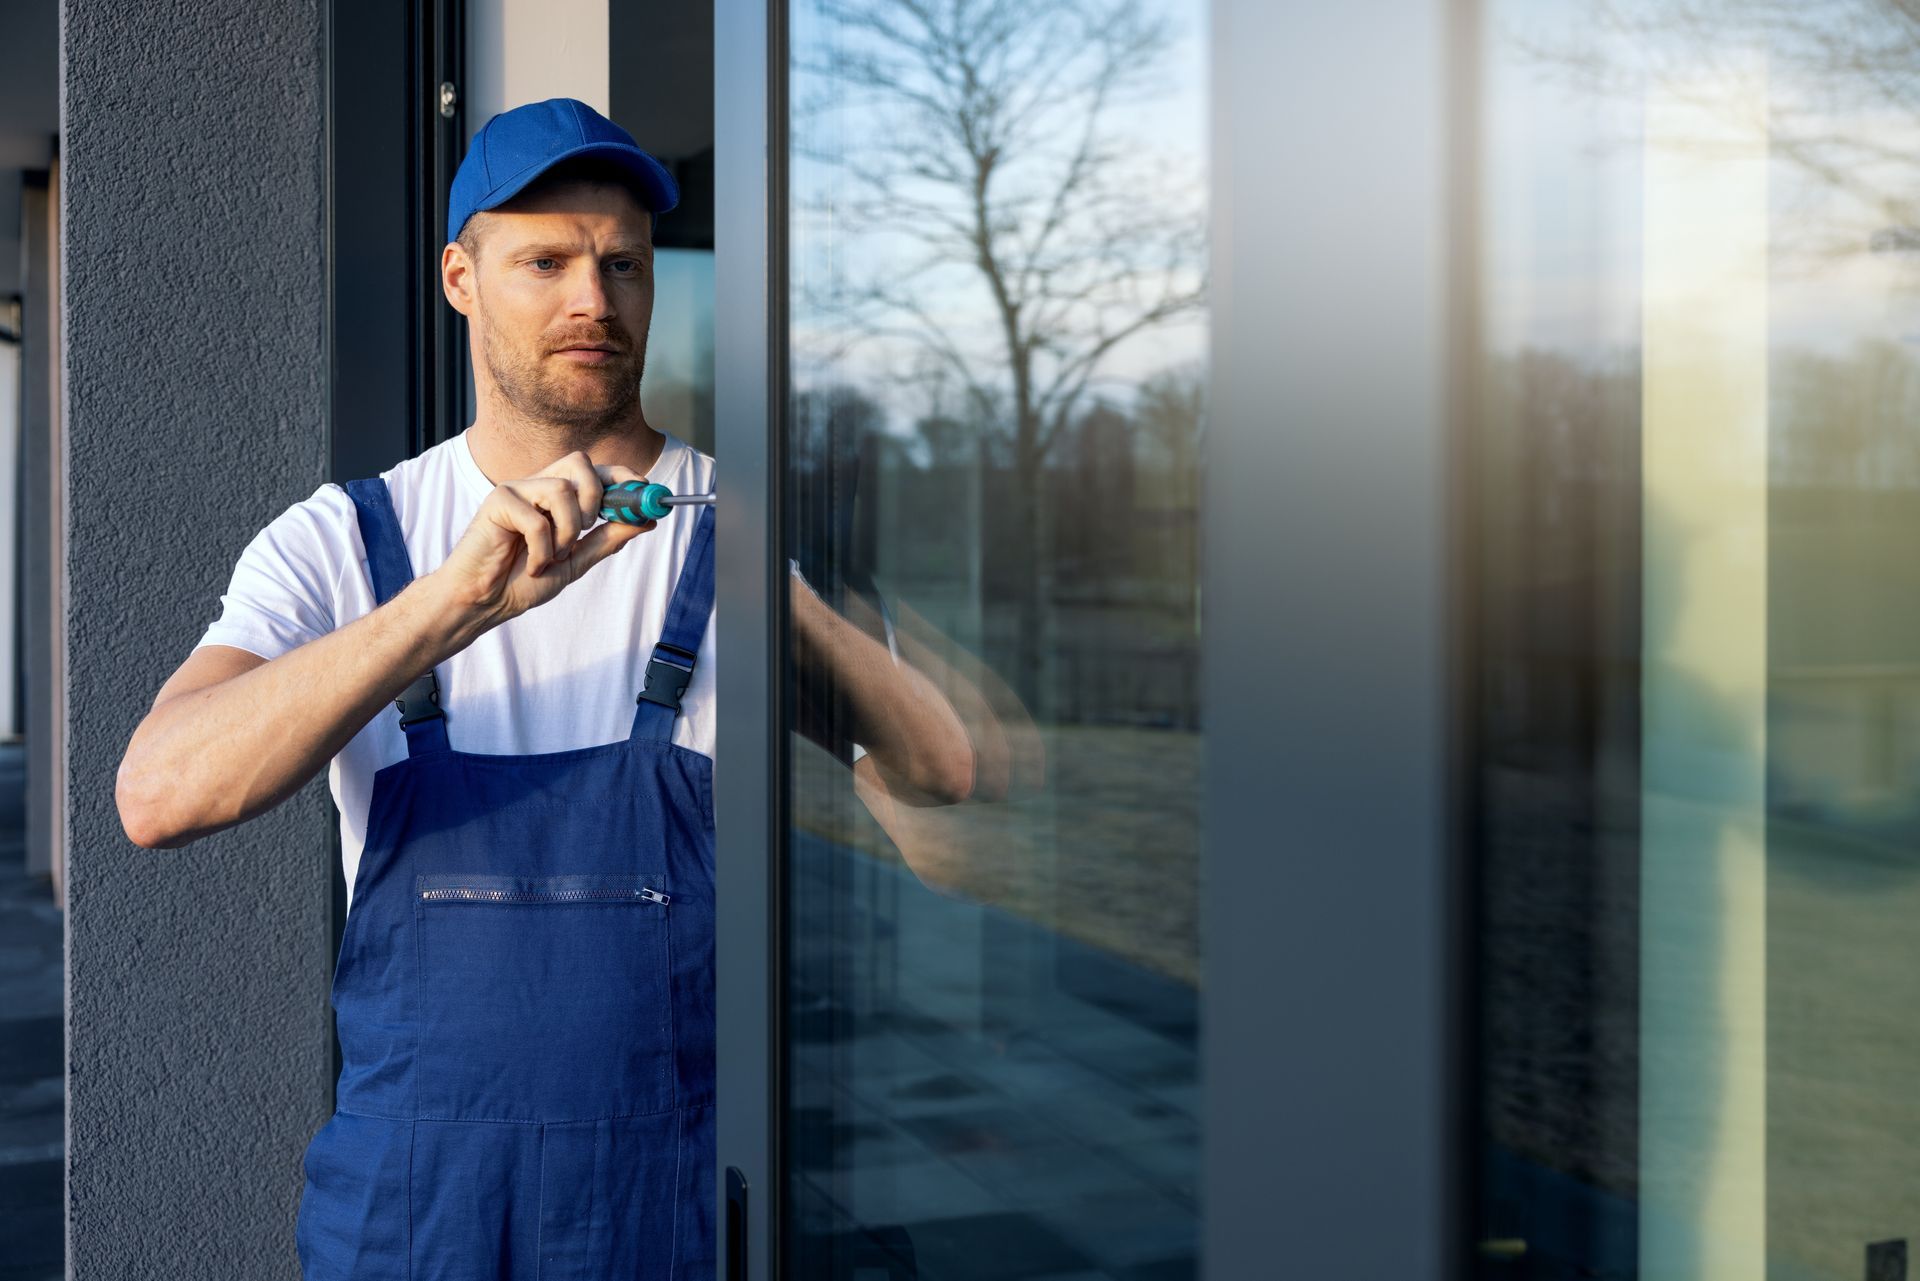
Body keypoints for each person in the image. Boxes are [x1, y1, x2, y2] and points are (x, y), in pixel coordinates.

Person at [112, 96, 996, 1279]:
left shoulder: (732, 532)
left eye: (622, 265)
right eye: (546, 262)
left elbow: (938, 782)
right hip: (412, 1213)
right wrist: (451, 604)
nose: (595, 299)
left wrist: (767, 574)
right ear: (460, 277)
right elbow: (158, 795)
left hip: (669, 1203)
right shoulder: (341, 541)